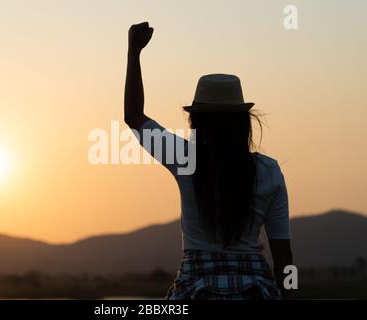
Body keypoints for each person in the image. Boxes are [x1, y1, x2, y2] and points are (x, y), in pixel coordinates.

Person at [124, 22, 293, 300]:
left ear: (196, 122)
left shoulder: (184, 158)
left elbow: (134, 116)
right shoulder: (269, 171)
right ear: (243, 123)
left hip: (195, 287)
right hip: (255, 287)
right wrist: (289, 295)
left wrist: (134, 52)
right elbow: (284, 256)